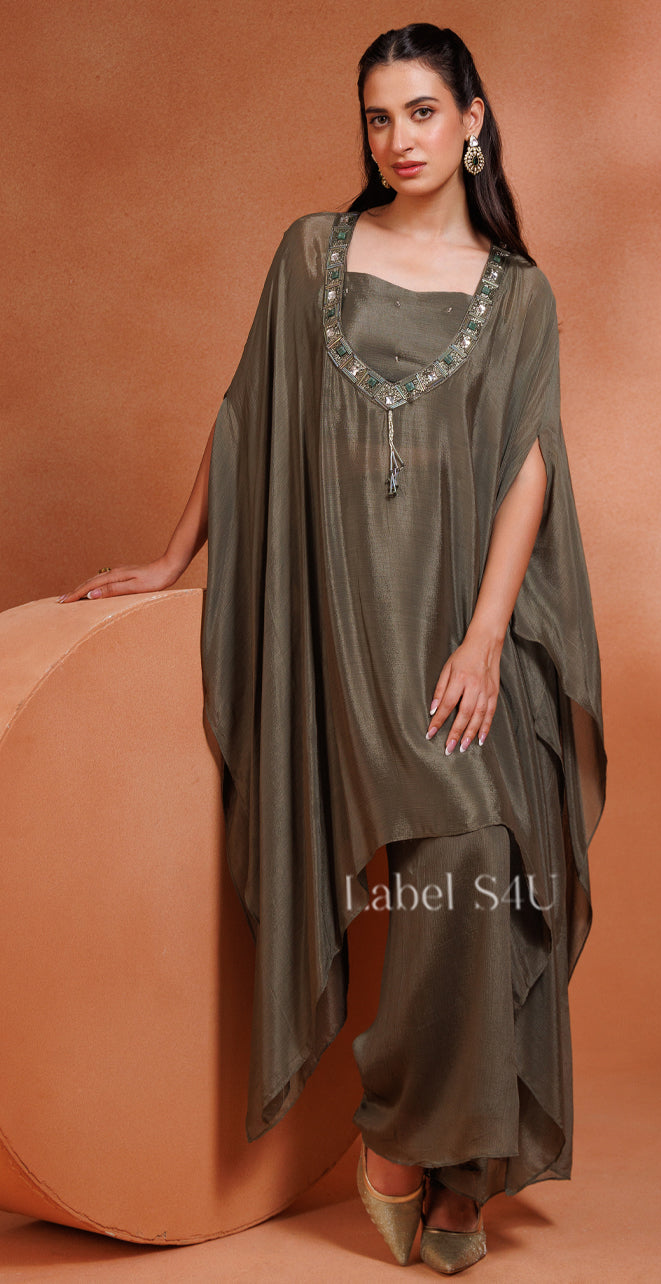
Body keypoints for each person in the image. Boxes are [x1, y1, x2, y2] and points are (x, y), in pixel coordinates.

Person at [57, 23, 606, 1275]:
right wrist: (172, 558)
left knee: (476, 865)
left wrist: (484, 640)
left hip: (457, 624)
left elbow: (528, 468)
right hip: (339, 622)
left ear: (472, 118)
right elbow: (247, 413)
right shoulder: (315, 252)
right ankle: (431, 1148)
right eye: (377, 116)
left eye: (422, 111)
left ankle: (440, 1162)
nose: (398, 139)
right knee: (449, 871)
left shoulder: (517, 293)